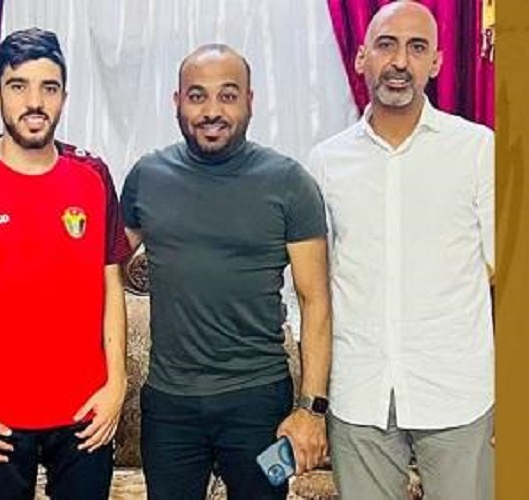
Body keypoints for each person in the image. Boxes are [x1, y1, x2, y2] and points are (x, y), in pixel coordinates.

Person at [0, 28, 131, 500]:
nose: (34, 102)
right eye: (19, 86)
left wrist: (116, 384)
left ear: (64, 97)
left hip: (84, 412)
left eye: (48, 88)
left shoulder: (93, 174)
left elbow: (111, 283)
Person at [120, 43, 332, 500]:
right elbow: (101, 271)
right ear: (177, 102)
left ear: (250, 101)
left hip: (260, 403)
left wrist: (311, 409)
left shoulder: (290, 183)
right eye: (197, 96)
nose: (212, 111)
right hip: (169, 407)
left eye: (228, 95)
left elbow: (316, 302)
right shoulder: (146, 177)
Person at [307, 2, 495, 499]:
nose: (399, 62)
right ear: (361, 57)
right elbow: (312, 285)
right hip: (359, 394)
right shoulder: (326, 161)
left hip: (456, 391)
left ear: (436, 62)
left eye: (416, 48)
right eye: (386, 45)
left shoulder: (477, 149)